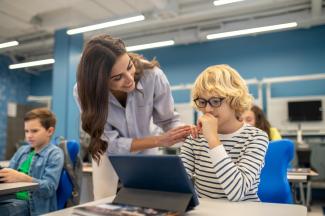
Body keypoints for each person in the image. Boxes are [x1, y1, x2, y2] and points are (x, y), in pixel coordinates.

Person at [74, 35, 194, 199]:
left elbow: (168, 120)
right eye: (118, 78)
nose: (130, 79)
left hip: (147, 148)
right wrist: (159, 140)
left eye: (129, 66)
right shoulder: (84, 92)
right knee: (102, 199)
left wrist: (185, 132)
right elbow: (111, 143)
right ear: (99, 82)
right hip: (107, 150)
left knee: (150, 199)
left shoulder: (153, 75)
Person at [180, 65, 269, 201]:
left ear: (234, 100)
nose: (207, 109)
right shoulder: (195, 138)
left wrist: (212, 138)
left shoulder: (256, 137)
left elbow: (237, 192)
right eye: (202, 102)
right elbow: (178, 183)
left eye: (215, 101)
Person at [0, 108, 64, 216]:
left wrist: (22, 178)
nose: (29, 135)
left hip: (32, 205)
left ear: (50, 131)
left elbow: (49, 188)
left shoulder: (54, 153)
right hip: (11, 198)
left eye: (34, 131)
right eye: (26, 131)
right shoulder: (22, 150)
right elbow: (8, 174)